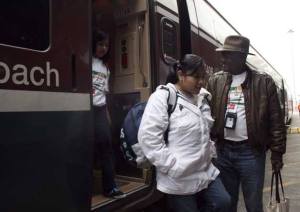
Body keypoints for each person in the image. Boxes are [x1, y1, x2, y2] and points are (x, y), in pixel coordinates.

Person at [138, 54, 230, 212]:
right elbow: (149, 139)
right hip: (179, 178)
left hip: (205, 171)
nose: (201, 82)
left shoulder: (203, 98)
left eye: (203, 77)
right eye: (196, 77)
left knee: (223, 202)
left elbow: (205, 132)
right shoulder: (164, 97)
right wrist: (173, 167)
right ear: (181, 74)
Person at [207, 35, 286, 212]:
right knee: (228, 203)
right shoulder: (215, 81)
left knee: (253, 204)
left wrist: (277, 154)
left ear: (241, 57)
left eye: (228, 55)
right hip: (223, 152)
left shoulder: (263, 82)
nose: (223, 59)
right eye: (223, 54)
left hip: (251, 153)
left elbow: (276, 121)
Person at [92, 30, 125, 199]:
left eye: (106, 45)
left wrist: (107, 115)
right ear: (93, 44)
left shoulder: (105, 68)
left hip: (99, 110)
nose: (103, 48)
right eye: (100, 44)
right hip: (84, 111)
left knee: (106, 148)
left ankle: (110, 188)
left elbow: (103, 94)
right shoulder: (86, 61)